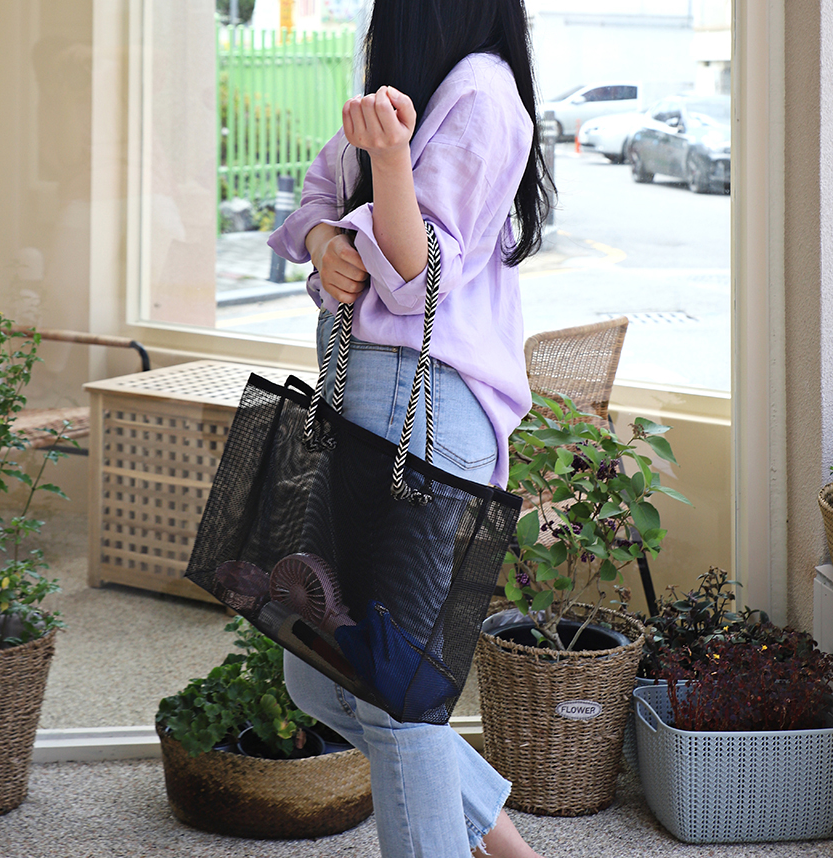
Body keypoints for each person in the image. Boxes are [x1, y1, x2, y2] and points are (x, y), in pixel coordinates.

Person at [268, 1, 553, 855]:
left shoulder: (483, 94)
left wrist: (389, 162)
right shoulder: (418, 88)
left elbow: (412, 277)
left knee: (390, 694)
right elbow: (315, 193)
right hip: (366, 404)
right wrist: (326, 240)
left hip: (421, 410)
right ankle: (507, 847)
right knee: (320, 675)